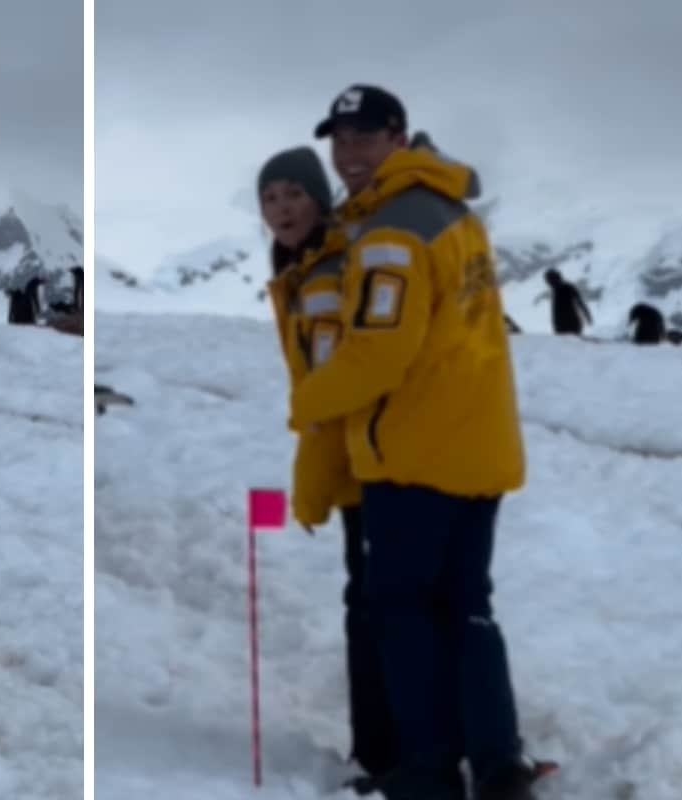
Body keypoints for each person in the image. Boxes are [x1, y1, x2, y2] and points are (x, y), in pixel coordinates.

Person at [293, 85, 535, 800]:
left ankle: (428, 769)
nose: (348, 153)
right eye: (338, 139)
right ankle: (498, 765)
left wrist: (307, 402)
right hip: (481, 447)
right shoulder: (454, 215)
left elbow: (376, 355)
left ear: (399, 139)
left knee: (400, 610)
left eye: (365, 137)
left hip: (413, 453)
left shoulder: (392, 232)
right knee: (467, 606)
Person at [260, 146, 396, 791]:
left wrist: (317, 438)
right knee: (370, 604)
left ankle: (387, 752)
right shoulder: (301, 268)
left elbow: (347, 372)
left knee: (381, 608)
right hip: (354, 462)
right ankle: (382, 747)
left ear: (319, 197)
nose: (281, 209)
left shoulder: (336, 266)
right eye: (270, 198)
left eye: (293, 194)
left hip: (379, 460)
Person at [544, 268, 592, 335]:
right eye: (548, 280)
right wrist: (588, 316)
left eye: (549, 280)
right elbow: (580, 303)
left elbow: (580, 303)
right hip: (565, 326)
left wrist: (588, 316)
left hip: (570, 325)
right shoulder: (559, 290)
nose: (548, 283)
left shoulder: (566, 288)